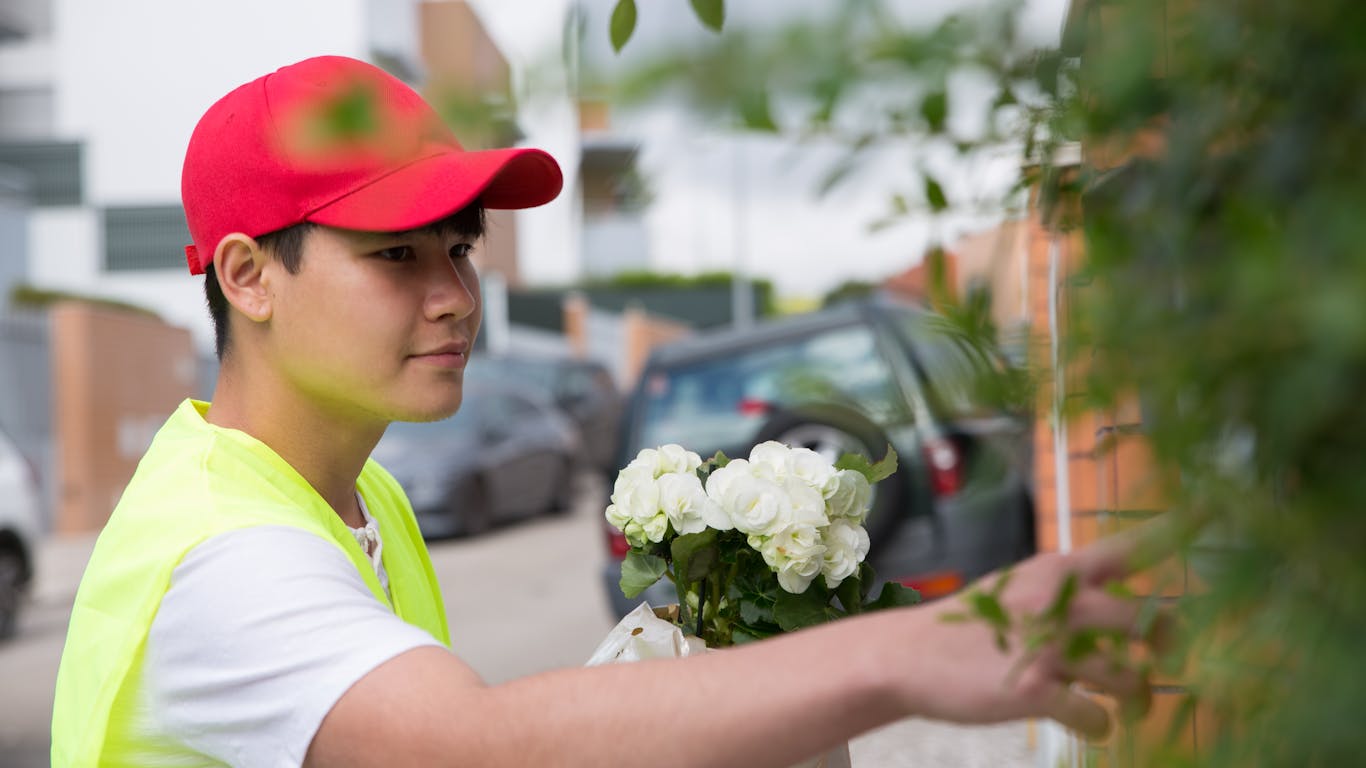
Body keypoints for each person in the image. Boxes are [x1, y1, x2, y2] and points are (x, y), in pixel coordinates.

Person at [51, 55, 1160, 767]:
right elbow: (475, 748)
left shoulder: (350, 490)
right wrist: (909, 653)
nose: (452, 295)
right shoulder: (224, 557)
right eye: (394, 254)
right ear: (249, 278)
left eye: (460, 247)